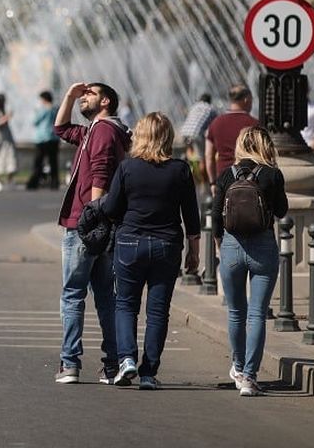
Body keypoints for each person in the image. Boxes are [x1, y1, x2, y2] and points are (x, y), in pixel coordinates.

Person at [98, 113, 200, 391]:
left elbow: (110, 209)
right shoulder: (180, 169)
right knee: (158, 312)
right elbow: (191, 216)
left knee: (126, 305)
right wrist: (194, 252)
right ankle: (148, 373)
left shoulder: (127, 168)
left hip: (130, 243)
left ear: (140, 136)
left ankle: (127, 359)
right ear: (167, 137)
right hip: (167, 245)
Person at [53, 81, 130, 384]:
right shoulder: (97, 131)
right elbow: (60, 130)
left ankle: (69, 362)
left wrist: (91, 217)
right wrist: (69, 96)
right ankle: (112, 364)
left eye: (89, 94)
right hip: (101, 225)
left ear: (106, 101)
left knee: (73, 294)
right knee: (105, 298)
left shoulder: (102, 131)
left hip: (85, 226)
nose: (84, 97)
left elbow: (100, 173)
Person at [212, 126, 288, 397]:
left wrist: (220, 243)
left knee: (235, 312)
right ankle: (249, 377)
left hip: (232, 246)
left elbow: (215, 214)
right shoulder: (272, 174)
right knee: (257, 313)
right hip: (263, 246)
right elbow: (281, 210)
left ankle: (237, 364)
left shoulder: (227, 174)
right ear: (265, 145)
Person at [205, 84, 259, 195]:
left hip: (223, 180)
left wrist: (212, 183)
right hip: (249, 180)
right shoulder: (254, 124)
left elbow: (208, 155)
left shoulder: (216, 123)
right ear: (246, 99)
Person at [177, 93, 217, 183]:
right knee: (203, 158)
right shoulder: (211, 109)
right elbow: (216, 125)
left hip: (185, 132)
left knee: (191, 155)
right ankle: (204, 182)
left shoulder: (194, 106)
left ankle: (189, 165)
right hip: (197, 134)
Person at [26, 90, 59, 191]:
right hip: (53, 137)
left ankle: (34, 182)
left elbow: (35, 121)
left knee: (38, 162)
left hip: (42, 138)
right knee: (53, 161)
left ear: (44, 99)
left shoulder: (43, 109)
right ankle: (54, 182)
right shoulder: (56, 108)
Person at [0, 93, 17, 192]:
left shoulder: (2, 110)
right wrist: (7, 117)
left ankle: (10, 180)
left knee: (10, 159)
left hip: (7, 139)